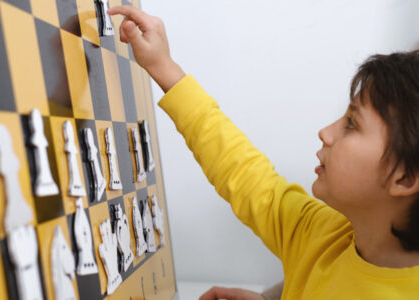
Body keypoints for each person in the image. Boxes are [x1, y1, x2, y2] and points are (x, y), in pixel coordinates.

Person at [108, 6, 419, 300]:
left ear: (405, 177)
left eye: (352, 123)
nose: (326, 132)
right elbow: (245, 173)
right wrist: (165, 67)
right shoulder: (322, 235)